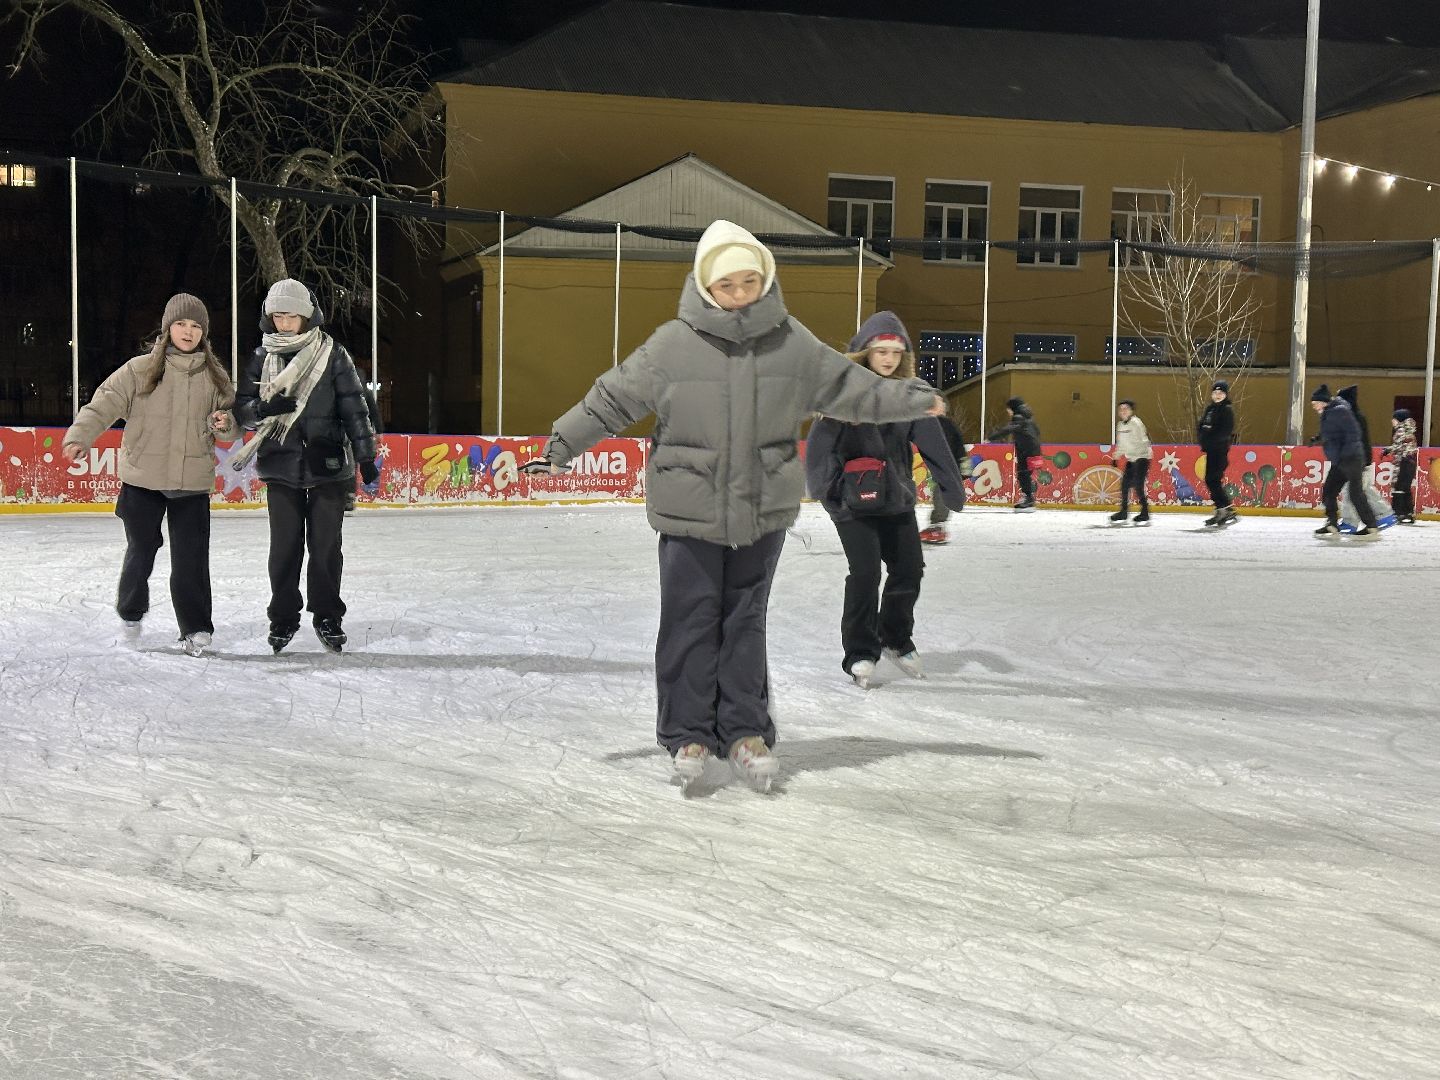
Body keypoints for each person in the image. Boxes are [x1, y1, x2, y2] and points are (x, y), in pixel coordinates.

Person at [520, 220, 945, 792]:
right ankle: (687, 733)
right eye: (728, 284)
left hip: (762, 511)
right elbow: (611, 399)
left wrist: (917, 399)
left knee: (745, 622)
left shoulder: (792, 344)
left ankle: (746, 731)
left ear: (766, 280)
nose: (740, 293)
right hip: (688, 512)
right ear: (704, 285)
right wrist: (560, 446)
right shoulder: (671, 345)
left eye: (750, 281)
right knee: (689, 622)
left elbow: (857, 389)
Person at [62, 294, 238, 656]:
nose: (188, 332)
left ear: (203, 333)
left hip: (190, 482)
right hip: (142, 479)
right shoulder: (140, 370)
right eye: (181, 324)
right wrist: (80, 436)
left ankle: (196, 629)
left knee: (191, 559)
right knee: (142, 549)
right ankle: (130, 614)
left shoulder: (215, 377)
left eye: (195, 326)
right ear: (167, 328)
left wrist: (227, 424)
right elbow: (104, 403)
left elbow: (231, 429)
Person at [806, 311, 966, 690]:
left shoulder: (911, 393)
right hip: (850, 503)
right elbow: (818, 447)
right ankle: (860, 651)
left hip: (895, 500)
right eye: (881, 350)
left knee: (909, 569)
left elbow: (934, 446)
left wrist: (950, 486)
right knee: (865, 573)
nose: (889, 357)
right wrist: (825, 490)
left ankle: (893, 636)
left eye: (896, 350)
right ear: (865, 352)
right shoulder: (844, 393)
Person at [232, 280, 379, 654]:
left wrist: (365, 457)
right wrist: (262, 410)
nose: (284, 323)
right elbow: (243, 410)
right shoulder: (261, 356)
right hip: (280, 464)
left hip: (327, 464)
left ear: (307, 316)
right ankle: (283, 617)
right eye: (277, 315)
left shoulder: (333, 354)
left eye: (291, 315)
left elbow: (354, 408)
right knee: (284, 547)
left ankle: (327, 616)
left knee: (326, 546)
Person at [1310, 384, 1380, 540]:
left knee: (1356, 494)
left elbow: (1353, 433)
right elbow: (1332, 433)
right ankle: (1332, 523)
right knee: (1328, 491)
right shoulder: (1328, 413)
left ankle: (1371, 527)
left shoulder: (1340, 411)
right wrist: (1318, 439)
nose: (1314, 407)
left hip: (1351, 458)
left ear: (1323, 401)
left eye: (1315, 403)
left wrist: (1346, 452)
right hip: (1340, 460)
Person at [1335, 385, 1393, 530]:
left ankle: (1350, 522)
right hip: (1363, 460)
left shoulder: (1353, 417)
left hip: (1357, 461)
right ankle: (1385, 514)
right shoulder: (1357, 416)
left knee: (1350, 491)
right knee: (1364, 490)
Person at [920, 411, 971, 545]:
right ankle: (936, 523)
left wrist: (962, 465)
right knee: (939, 491)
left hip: (950, 465)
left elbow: (955, 445)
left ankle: (938, 525)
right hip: (949, 465)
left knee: (941, 492)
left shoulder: (943, 423)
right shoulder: (938, 423)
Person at [987, 397, 1042, 510]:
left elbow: (1008, 429)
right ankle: (1028, 498)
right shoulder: (1029, 418)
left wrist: (991, 438)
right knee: (1024, 474)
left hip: (1027, 450)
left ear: (1013, 408)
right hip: (1032, 449)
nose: (1007, 411)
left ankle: (1028, 500)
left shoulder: (1018, 418)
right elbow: (1037, 432)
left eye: (1008, 409)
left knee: (1023, 474)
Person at [1197, 379, 1237, 527]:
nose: (1217, 395)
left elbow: (1225, 432)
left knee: (1213, 480)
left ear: (1225, 395)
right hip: (1211, 451)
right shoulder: (1210, 409)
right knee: (1210, 480)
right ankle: (1221, 510)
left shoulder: (1227, 410)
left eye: (1221, 393)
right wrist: (1203, 439)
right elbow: (1201, 426)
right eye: (1215, 392)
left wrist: (1211, 439)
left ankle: (1226, 508)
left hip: (1219, 451)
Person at [1110, 398, 1153, 525]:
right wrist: (1116, 457)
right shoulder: (1120, 425)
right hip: (1131, 458)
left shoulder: (1136, 423)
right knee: (1124, 485)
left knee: (1138, 486)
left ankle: (1145, 513)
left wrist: (1142, 455)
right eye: (1121, 409)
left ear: (1131, 411)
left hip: (1142, 457)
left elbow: (1144, 440)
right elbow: (1121, 444)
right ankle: (1123, 512)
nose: (1123, 411)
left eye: (1125, 409)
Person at [1383, 408, 1419, 524]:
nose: (1392, 421)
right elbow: (1404, 445)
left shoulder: (1400, 430)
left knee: (1398, 487)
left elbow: (1399, 447)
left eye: (1393, 419)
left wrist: (1387, 450)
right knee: (1405, 487)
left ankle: (1398, 512)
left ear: (1399, 419)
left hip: (1403, 462)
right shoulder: (1410, 430)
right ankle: (1408, 512)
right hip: (1410, 462)